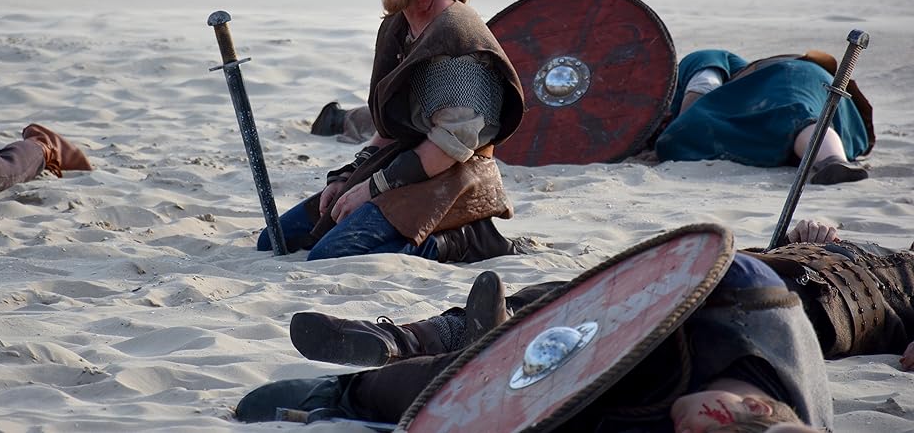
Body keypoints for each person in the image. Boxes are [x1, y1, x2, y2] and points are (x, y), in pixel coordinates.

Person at [235, 232, 839, 432]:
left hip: (610, 395)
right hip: (623, 327)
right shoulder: (742, 298)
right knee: (516, 356)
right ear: (759, 407)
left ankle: (437, 348)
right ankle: (352, 389)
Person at [286, 220, 914, 371]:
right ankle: (403, 338)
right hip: (748, 269)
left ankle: (443, 356)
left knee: (636, 331)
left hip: (798, 319)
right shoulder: (870, 243)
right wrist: (810, 234)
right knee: (593, 289)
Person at [258, 0, 525, 263]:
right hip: (406, 165)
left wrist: (371, 189)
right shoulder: (398, 27)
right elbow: (393, 125)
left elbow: (450, 146)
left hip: (456, 178)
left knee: (331, 254)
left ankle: (463, 239)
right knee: (274, 239)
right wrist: (349, 177)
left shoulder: (455, 41)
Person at [654, 49, 875, 184]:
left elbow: (701, 90)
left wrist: (674, 132)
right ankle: (832, 158)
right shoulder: (748, 108)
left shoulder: (699, 60)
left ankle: (832, 161)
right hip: (831, 92)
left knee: (794, 115)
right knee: (790, 123)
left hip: (788, 75)